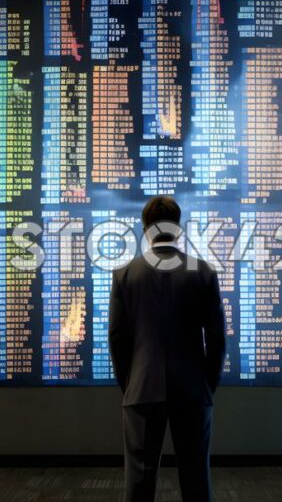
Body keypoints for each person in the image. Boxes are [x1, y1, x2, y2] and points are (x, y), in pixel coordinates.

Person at [108, 195, 227, 502]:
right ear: (177, 228)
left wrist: (131, 385)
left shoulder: (124, 275)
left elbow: (118, 339)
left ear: (146, 229)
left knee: (139, 480)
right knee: (196, 477)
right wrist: (206, 386)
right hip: (191, 389)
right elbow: (216, 339)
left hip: (142, 388)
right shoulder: (203, 273)